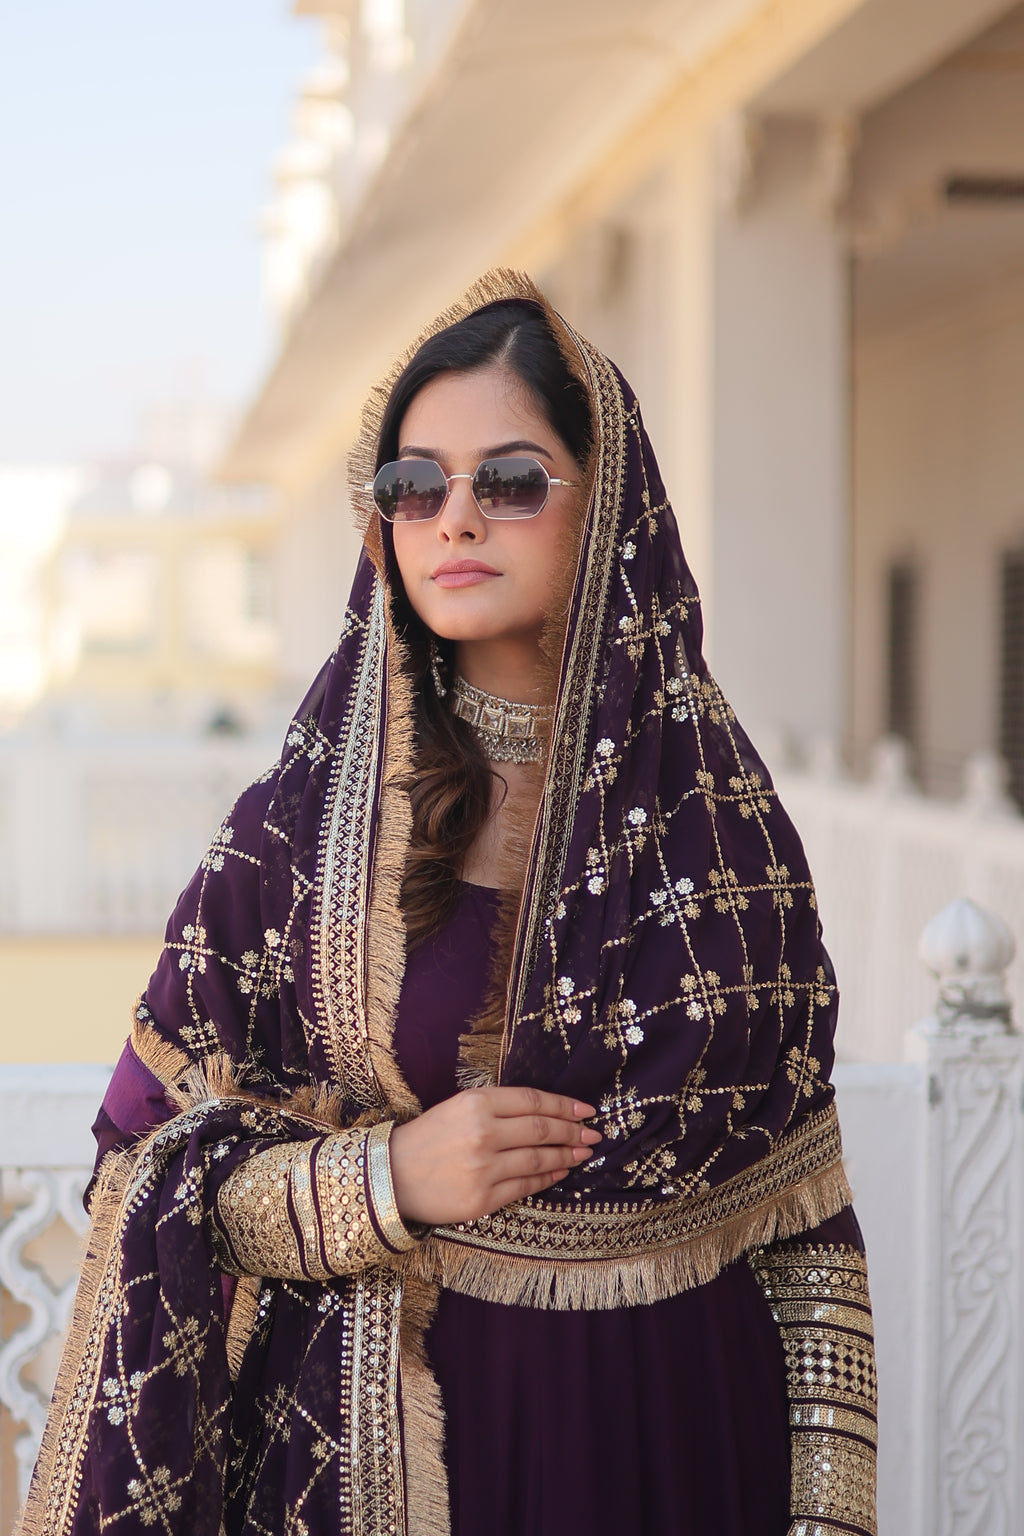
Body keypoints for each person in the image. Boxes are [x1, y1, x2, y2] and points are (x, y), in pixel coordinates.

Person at [20, 271, 877, 1536]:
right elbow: (135, 1170)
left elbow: (809, 1232)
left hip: (695, 1448)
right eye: (414, 487)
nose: (455, 519)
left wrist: (833, 1519)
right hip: (414, 1471)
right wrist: (387, 1179)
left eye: (511, 480)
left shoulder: (721, 830)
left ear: (608, 510)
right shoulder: (295, 841)